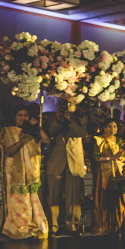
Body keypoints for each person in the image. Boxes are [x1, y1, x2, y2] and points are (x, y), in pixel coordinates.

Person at [0, 104, 49, 239]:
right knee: (18, 203)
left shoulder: (33, 131)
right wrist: (20, 143)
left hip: (31, 175)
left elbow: (46, 140)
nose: (22, 118)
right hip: (15, 174)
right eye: (19, 115)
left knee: (32, 202)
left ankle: (32, 226)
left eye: (25, 115)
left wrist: (37, 126)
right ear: (14, 117)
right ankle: (19, 228)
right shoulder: (8, 131)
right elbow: (8, 151)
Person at [45, 101, 87, 236]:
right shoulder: (54, 118)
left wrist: (70, 121)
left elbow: (81, 133)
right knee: (53, 195)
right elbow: (50, 133)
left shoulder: (80, 118)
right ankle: (52, 225)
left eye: (70, 104)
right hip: (56, 160)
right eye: (64, 105)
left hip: (74, 160)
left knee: (73, 195)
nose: (67, 108)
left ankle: (73, 225)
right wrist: (58, 119)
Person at [91, 118, 125, 235]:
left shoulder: (118, 140)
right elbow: (96, 158)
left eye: (115, 127)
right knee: (104, 198)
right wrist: (111, 158)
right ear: (105, 128)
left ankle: (116, 225)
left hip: (117, 172)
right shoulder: (99, 140)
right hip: (104, 173)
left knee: (118, 197)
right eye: (110, 126)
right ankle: (103, 226)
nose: (113, 129)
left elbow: (122, 155)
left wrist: (122, 156)